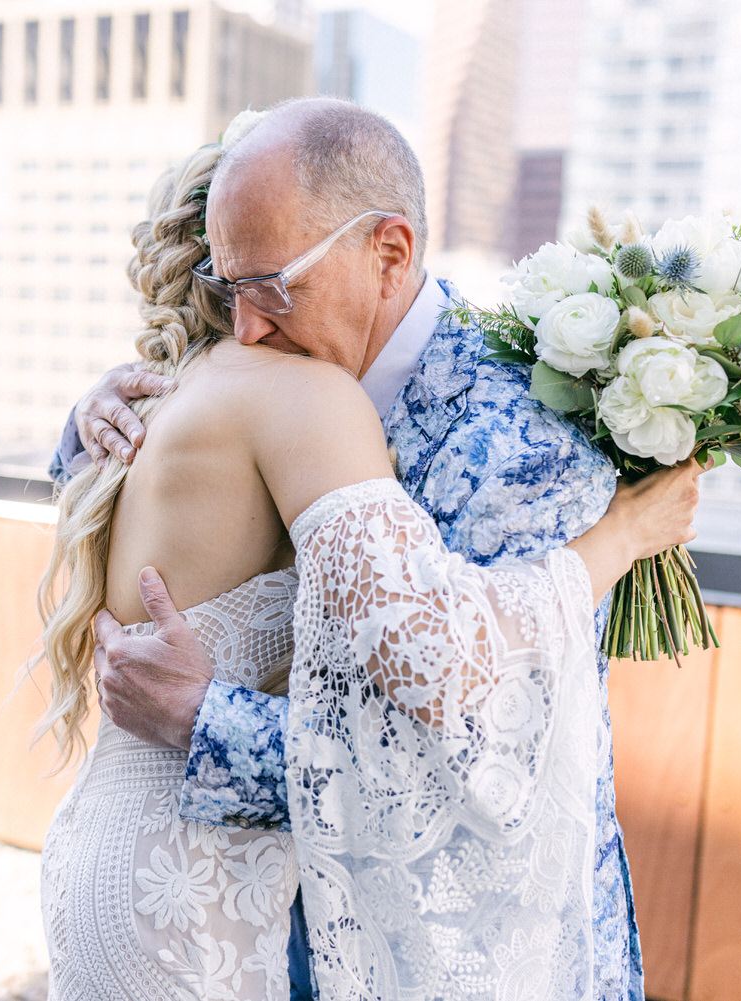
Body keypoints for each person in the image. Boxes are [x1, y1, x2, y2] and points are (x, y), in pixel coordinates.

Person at [40, 102, 703, 1000]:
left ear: (389, 253)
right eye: (227, 285)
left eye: (271, 286)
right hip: (254, 918)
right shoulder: (283, 366)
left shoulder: (518, 448)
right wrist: (96, 420)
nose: (244, 326)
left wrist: (206, 725)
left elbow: (469, 773)